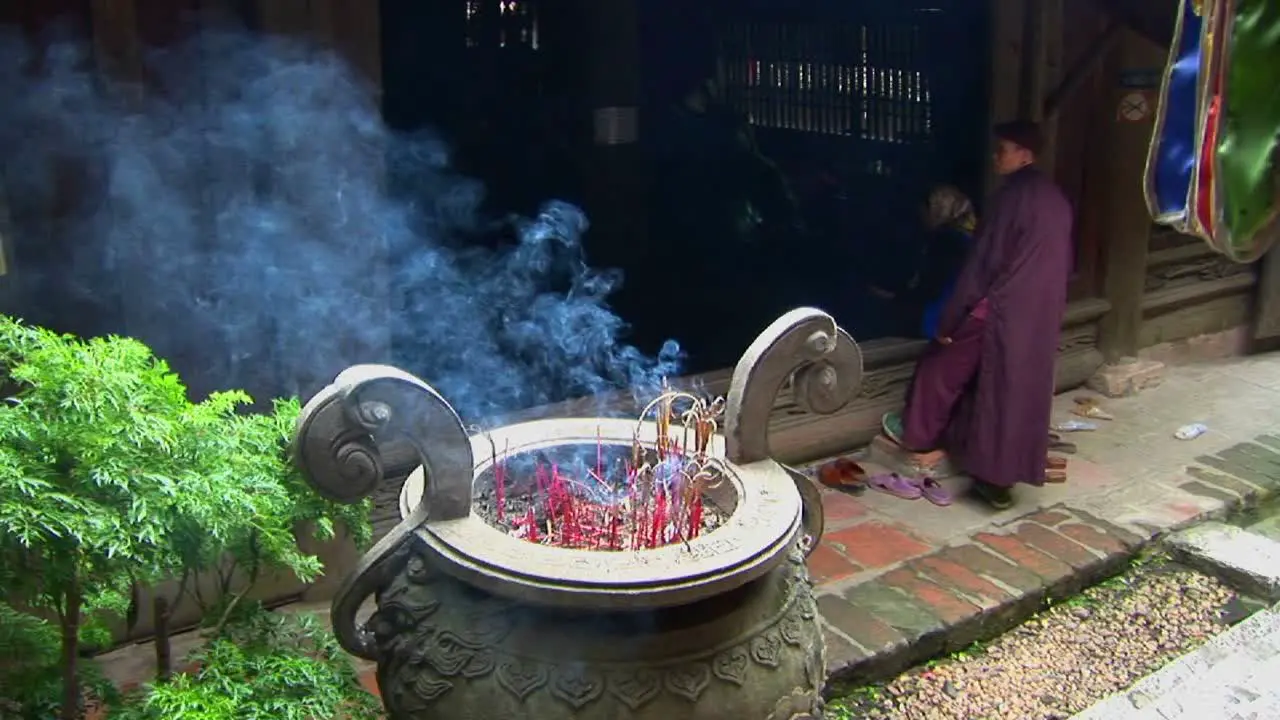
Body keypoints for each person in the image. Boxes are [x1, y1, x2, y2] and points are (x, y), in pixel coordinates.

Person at [882, 121, 1074, 509]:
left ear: (1025, 155)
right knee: (1018, 390)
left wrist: (950, 320)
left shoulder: (1009, 200)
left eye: (1003, 149)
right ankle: (1000, 469)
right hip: (1038, 313)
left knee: (943, 366)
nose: (996, 156)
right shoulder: (1055, 199)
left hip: (999, 309)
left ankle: (921, 439)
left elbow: (982, 267)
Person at [868, 185, 976, 339]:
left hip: (938, 321)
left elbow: (931, 286)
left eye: (924, 212)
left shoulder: (946, 241)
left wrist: (895, 297)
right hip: (963, 317)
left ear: (937, 210)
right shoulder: (972, 237)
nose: (922, 218)